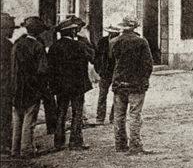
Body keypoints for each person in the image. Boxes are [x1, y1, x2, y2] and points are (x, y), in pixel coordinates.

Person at [48, 17, 95, 151]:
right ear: (73, 32)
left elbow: (50, 69)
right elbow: (92, 57)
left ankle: (58, 142)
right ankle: (75, 142)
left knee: (61, 112)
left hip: (60, 86)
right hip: (77, 85)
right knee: (77, 112)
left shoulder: (54, 47)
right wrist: (86, 41)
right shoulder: (79, 45)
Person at [109, 16, 154, 154]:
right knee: (135, 115)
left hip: (119, 83)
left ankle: (120, 145)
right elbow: (148, 64)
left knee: (119, 115)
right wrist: (144, 79)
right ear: (134, 27)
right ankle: (135, 146)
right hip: (136, 84)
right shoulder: (141, 42)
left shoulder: (114, 42)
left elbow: (111, 62)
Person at [11, 16, 49, 158]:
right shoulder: (38, 46)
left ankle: (15, 149)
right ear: (38, 32)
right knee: (29, 119)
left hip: (16, 87)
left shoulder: (17, 44)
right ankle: (26, 149)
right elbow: (43, 70)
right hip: (31, 87)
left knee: (17, 118)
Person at [92, 24, 120, 124]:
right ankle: (100, 118)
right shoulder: (103, 41)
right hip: (105, 72)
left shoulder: (121, 42)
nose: (113, 34)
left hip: (117, 72)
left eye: (115, 33)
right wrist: (99, 69)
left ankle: (114, 117)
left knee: (117, 96)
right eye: (111, 32)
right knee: (102, 96)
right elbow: (97, 57)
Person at [1, 13, 16, 155]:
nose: (12, 31)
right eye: (10, 28)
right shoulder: (7, 45)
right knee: (5, 114)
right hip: (4, 86)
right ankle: (4, 144)